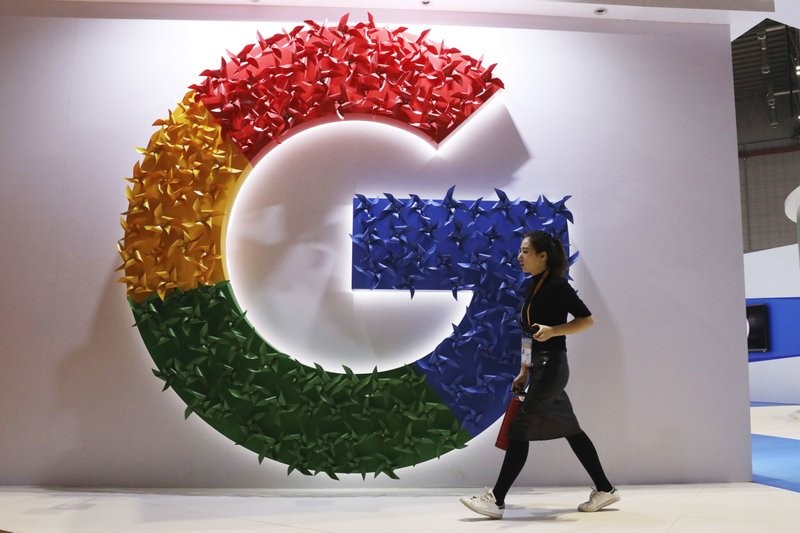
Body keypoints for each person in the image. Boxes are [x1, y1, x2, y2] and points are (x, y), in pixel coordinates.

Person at [459, 230, 620, 519]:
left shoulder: (558, 286)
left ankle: (496, 500)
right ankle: (605, 489)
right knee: (571, 430)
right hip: (541, 368)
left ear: (542, 256)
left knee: (519, 430)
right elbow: (527, 334)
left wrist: (555, 331)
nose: (519, 257)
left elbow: (587, 320)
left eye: (525, 251)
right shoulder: (531, 287)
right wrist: (524, 369)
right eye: (520, 251)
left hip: (554, 366)